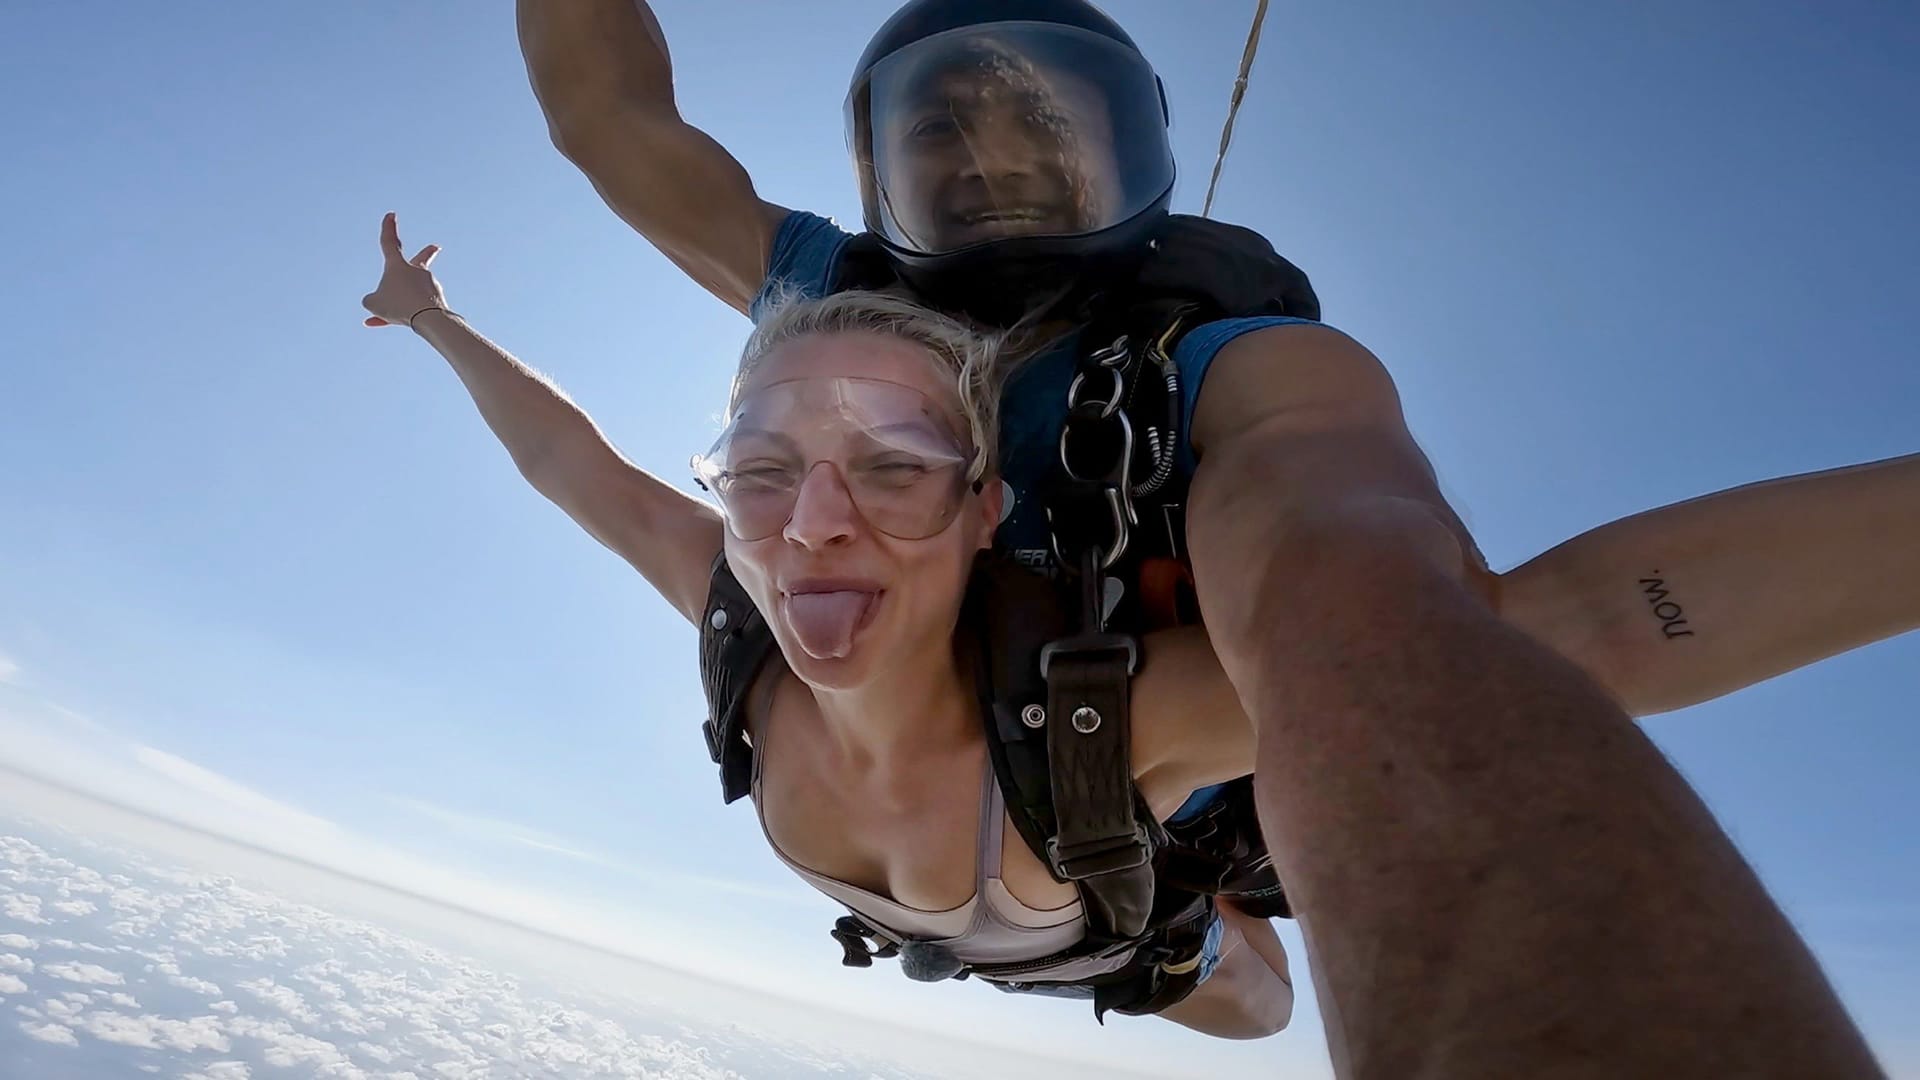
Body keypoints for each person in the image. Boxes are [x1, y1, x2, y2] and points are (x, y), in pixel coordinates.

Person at [361, 215, 1909, 1065]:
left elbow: (1534, 640)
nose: (811, 522)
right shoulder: (739, 616)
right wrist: (432, 321)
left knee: (1259, 1004)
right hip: (1007, 925)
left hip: (1126, 923)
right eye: (764, 471)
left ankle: (1190, 915)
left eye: (891, 467)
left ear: (984, 513)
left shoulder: (1110, 711)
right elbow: (574, 465)